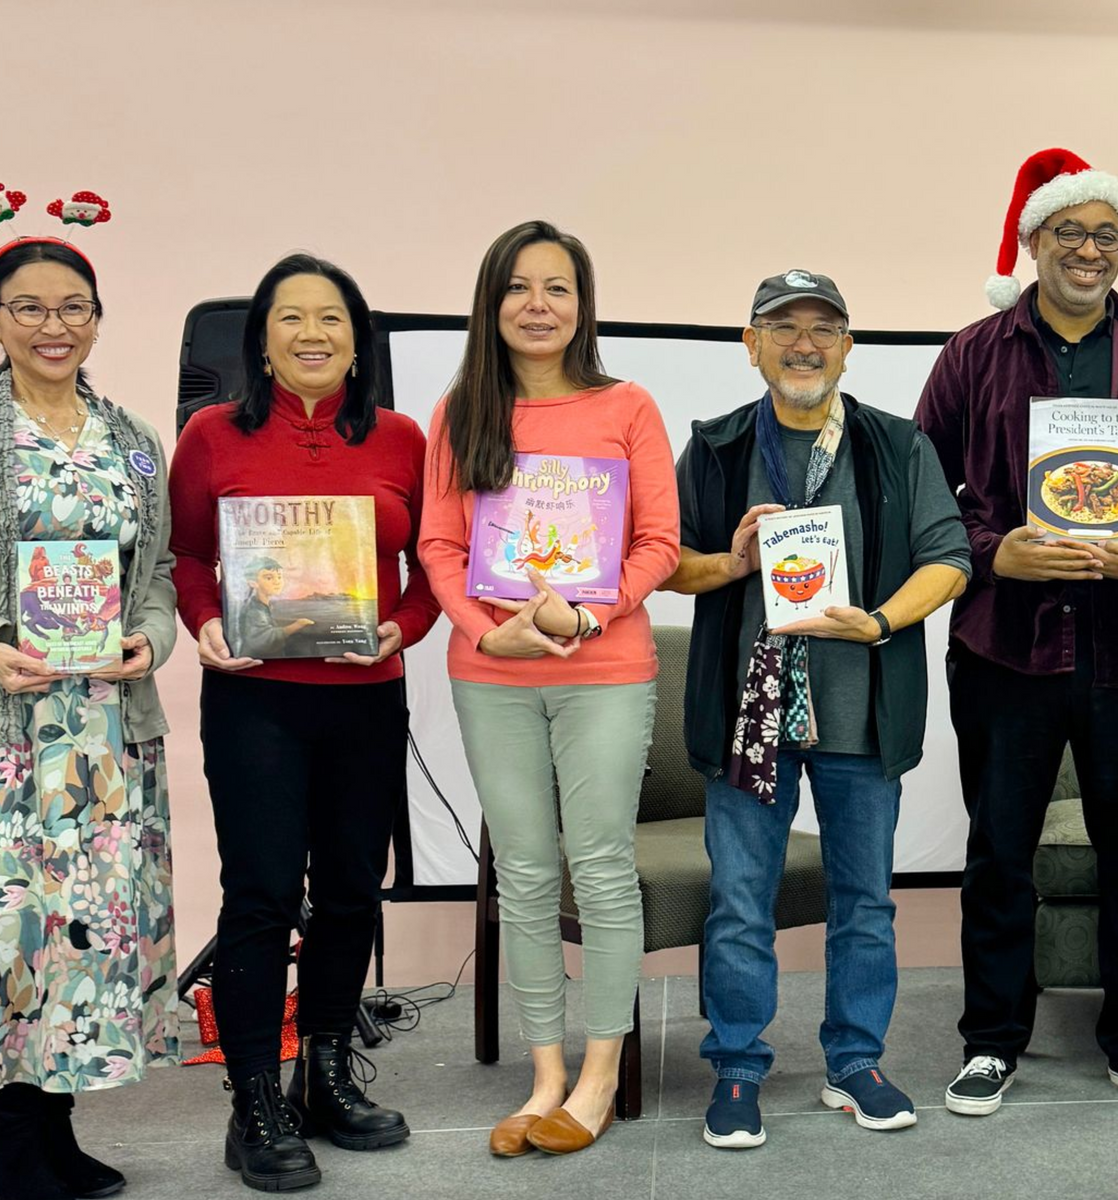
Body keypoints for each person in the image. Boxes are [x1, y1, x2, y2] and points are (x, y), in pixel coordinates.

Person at [915, 148, 1118, 1118]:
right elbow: (922, 485)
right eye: (1070, 232)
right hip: (1004, 647)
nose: (1089, 250)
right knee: (999, 854)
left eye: (1107, 234)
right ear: (1034, 241)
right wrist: (991, 549)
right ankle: (991, 1042)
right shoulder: (973, 351)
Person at [0, 232, 178, 1200]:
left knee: (81, 931)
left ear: (96, 320)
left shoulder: (133, 440)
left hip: (100, 734)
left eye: (73, 308)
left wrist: (151, 640)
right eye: (29, 307)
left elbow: (162, 577)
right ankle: (13, 1147)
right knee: (0, 930)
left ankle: (53, 1135)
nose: (53, 326)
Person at [664, 270, 970, 1149]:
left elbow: (949, 557)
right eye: (783, 327)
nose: (804, 344)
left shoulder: (896, 444)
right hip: (745, 717)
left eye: (823, 328)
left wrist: (877, 621)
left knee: (866, 902)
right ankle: (736, 1069)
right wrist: (729, 561)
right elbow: (663, 560)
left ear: (848, 345)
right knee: (739, 901)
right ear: (750, 343)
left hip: (860, 712)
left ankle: (855, 1062)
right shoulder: (717, 447)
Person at [170, 254, 443, 1190]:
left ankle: (324, 1075)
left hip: (367, 694)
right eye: (292, 318)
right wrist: (204, 624)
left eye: (332, 318)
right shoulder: (211, 435)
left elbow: (428, 579)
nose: (313, 334)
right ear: (264, 339)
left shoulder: (405, 439)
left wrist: (397, 633)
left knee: (352, 892)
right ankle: (256, 1102)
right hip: (256, 700)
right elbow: (191, 557)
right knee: (260, 896)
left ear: (359, 343)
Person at [418, 220, 679, 1158]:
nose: (539, 306)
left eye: (558, 288)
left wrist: (579, 621)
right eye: (519, 288)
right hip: (492, 671)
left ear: (583, 304)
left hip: (603, 668)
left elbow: (656, 543)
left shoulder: (628, 407)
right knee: (525, 875)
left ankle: (601, 1074)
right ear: (491, 305)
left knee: (600, 867)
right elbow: (440, 546)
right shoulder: (461, 414)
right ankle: (545, 1077)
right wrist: (499, 632)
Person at [233, 556, 314, 660]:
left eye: (279, 577)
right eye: (269, 578)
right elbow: (265, 638)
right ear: (253, 583)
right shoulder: (254, 611)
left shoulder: (265, 605)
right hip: (256, 663)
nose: (277, 581)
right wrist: (297, 625)